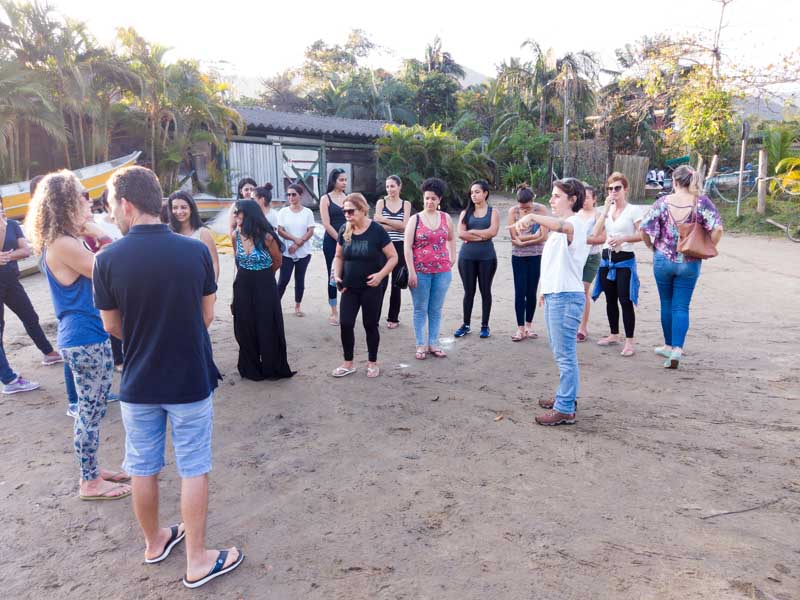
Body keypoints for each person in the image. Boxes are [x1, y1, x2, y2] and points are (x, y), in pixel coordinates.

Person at [94, 165, 243, 589]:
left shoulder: (106, 260)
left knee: (142, 466)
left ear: (125, 204)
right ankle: (197, 558)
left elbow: (112, 325)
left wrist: (143, 335)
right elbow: (208, 315)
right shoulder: (193, 250)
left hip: (139, 380)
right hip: (188, 376)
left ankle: (154, 541)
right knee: (193, 466)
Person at [25, 170, 129, 499]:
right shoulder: (63, 244)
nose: (88, 199)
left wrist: (93, 232)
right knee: (89, 411)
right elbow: (112, 268)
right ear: (65, 201)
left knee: (92, 409)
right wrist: (100, 232)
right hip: (84, 336)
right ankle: (89, 481)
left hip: (83, 334)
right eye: (82, 195)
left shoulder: (63, 241)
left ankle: (92, 471)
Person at [512, 178, 590, 426]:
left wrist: (533, 218)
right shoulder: (562, 226)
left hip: (566, 297)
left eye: (557, 196)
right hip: (558, 294)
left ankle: (565, 407)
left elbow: (562, 227)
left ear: (573, 199)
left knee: (565, 356)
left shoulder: (575, 223)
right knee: (562, 354)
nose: (551, 200)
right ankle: (564, 398)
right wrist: (545, 290)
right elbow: (555, 261)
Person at [640, 165, 723, 368]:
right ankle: (677, 348)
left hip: (662, 259)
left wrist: (652, 246)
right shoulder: (702, 202)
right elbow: (717, 229)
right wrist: (706, 246)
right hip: (690, 261)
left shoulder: (662, 202)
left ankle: (668, 345)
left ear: (674, 181)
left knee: (666, 303)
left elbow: (644, 228)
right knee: (681, 306)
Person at [331, 193, 397, 378]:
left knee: (370, 324)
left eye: (350, 211)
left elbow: (393, 257)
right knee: (345, 323)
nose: (346, 214)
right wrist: (337, 275)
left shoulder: (377, 231)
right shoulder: (345, 229)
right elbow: (338, 256)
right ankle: (348, 363)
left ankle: (372, 362)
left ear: (362, 210)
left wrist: (381, 275)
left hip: (372, 287)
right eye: (344, 211)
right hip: (349, 287)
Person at [231, 200, 294, 381]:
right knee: (245, 325)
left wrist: (263, 277)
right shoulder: (235, 235)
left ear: (249, 214)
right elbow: (238, 262)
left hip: (265, 283)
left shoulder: (267, 237)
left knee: (266, 324)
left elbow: (278, 261)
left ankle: (271, 366)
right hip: (243, 283)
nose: (234, 216)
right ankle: (250, 367)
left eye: (238, 213)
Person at [0, 190, 63, 368]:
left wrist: (7, 257)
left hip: (11, 280)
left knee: (29, 315)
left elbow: (25, 251)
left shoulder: (11, 224)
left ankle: (48, 352)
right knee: (0, 325)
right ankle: (6, 371)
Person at [404, 177, 456, 360]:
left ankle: (433, 342)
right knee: (420, 309)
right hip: (420, 271)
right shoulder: (415, 219)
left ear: (439, 199)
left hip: (442, 271)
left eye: (433, 198)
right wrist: (411, 270)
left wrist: (452, 256)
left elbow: (450, 238)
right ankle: (420, 344)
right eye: (427, 198)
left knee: (435, 309)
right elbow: (407, 246)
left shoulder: (446, 218)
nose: (429, 201)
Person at [592, 172, 642, 357]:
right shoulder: (606, 211)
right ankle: (614, 334)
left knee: (625, 300)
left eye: (617, 188)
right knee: (610, 299)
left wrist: (624, 238)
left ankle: (629, 341)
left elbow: (642, 234)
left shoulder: (633, 210)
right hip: (606, 259)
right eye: (610, 188)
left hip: (624, 260)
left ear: (625, 189)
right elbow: (596, 232)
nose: (613, 192)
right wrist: (605, 210)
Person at [454, 180, 500, 339]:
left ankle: (485, 326)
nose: (473, 195)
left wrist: (472, 233)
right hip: (466, 257)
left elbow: (492, 232)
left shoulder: (493, 212)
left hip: (487, 257)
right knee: (469, 292)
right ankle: (466, 324)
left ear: (485, 193)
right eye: (472, 192)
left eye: (477, 192)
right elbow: (461, 234)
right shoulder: (464, 213)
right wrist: (481, 234)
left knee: (485, 291)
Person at [507, 184, 548, 342]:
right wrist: (533, 237)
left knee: (531, 291)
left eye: (527, 206)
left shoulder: (541, 210)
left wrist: (523, 240)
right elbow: (513, 237)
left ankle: (529, 326)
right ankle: (520, 328)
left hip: (536, 255)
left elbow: (544, 236)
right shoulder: (513, 211)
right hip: (518, 256)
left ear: (533, 199)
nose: (524, 209)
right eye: (521, 206)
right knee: (520, 291)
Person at [374, 175, 411, 328]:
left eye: (393, 186)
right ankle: (374, 317)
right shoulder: (381, 202)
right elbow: (377, 225)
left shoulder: (406, 204)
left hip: (400, 246)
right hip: (382, 246)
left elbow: (405, 226)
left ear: (399, 186)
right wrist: (396, 224)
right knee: (380, 282)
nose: (390, 189)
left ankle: (393, 318)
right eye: (388, 186)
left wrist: (385, 220)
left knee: (397, 282)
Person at [276, 183, 315, 317]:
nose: (291, 197)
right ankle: (275, 305)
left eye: (294, 194)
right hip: (287, 252)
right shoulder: (283, 212)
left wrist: (299, 244)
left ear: (300, 195)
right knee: (283, 280)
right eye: (289, 194)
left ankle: (297, 306)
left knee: (300, 280)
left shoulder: (307, 212)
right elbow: (280, 230)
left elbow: (310, 230)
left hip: (303, 253)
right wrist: (294, 239)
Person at [168, 191, 220, 282]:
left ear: (191, 209)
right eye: (175, 208)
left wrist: (213, 288)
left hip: (198, 284)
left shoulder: (203, 233)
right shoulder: (168, 232)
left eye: (183, 207)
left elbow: (214, 263)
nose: (179, 211)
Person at [576, 184, 606, 341]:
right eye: (582, 197)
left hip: (591, 257)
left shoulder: (598, 215)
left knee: (584, 290)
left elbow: (602, 238)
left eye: (587, 197)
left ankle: (582, 327)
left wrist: (582, 240)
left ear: (594, 199)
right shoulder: (575, 213)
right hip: (575, 257)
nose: (584, 200)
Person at [320, 168, 348, 325]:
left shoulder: (348, 198)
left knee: (347, 273)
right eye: (341, 180)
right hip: (331, 242)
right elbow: (325, 223)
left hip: (349, 241)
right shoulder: (326, 198)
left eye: (345, 180)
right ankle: (333, 311)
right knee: (332, 275)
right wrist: (339, 239)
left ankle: (346, 308)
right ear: (334, 181)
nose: (344, 183)